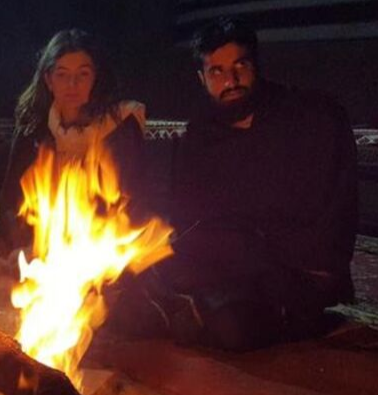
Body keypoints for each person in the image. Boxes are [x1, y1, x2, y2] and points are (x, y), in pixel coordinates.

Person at [115, 18, 358, 350]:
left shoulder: (311, 118)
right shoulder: (201, 134)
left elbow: (328, 214)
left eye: (239, 66)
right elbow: (188, 214)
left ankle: (294, 315)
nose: (230, 81)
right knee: (142, 267)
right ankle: (200, 305)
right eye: (216, 72)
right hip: (233, 262)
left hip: (295, 266)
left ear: (255, 65)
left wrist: (246, 243)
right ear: (202, 79)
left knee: (232, 329)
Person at [0, 29, 147, 291]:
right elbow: (8, 205)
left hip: (88, 254)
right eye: (62, 75)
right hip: (29, 251)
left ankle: (12, 288)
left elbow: (129, 206)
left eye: (83, 74)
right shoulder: (33, 129)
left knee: (122, 279)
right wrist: (22, 247)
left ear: (95, 78)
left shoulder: (117, 127)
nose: (72, 85)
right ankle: (8, 282)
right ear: (48, 79)